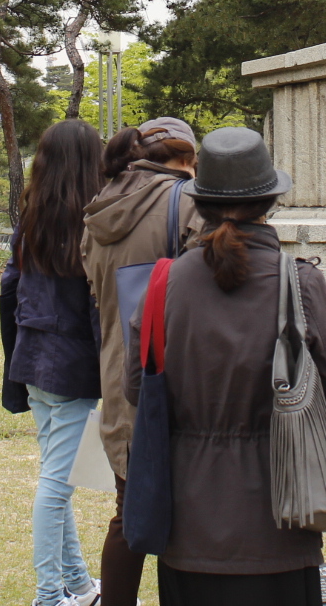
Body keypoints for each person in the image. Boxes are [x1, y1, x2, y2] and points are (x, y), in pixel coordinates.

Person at [128, 126, 326, 605]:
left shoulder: (164, 284)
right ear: (269, 201)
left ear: (201, 202)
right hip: (284, 513)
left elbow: (135, 387)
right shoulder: (300, 282)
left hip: (188, 521)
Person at [82, 117, 201, 606]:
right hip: (174, 378)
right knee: (190, 513)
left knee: (128, 512)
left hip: (118, 373)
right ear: (188, 157)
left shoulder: (100, 208)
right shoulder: (188, 203)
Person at [0, 119, 108, 606]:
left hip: (33, 358)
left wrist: (13, 356)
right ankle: (49, 595)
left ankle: (78, 584)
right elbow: (97, 306)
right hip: (71, 366)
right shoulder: (93, 223)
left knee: (55, 475)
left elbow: (8, 290)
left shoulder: (32, 216)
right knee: (57, 485)